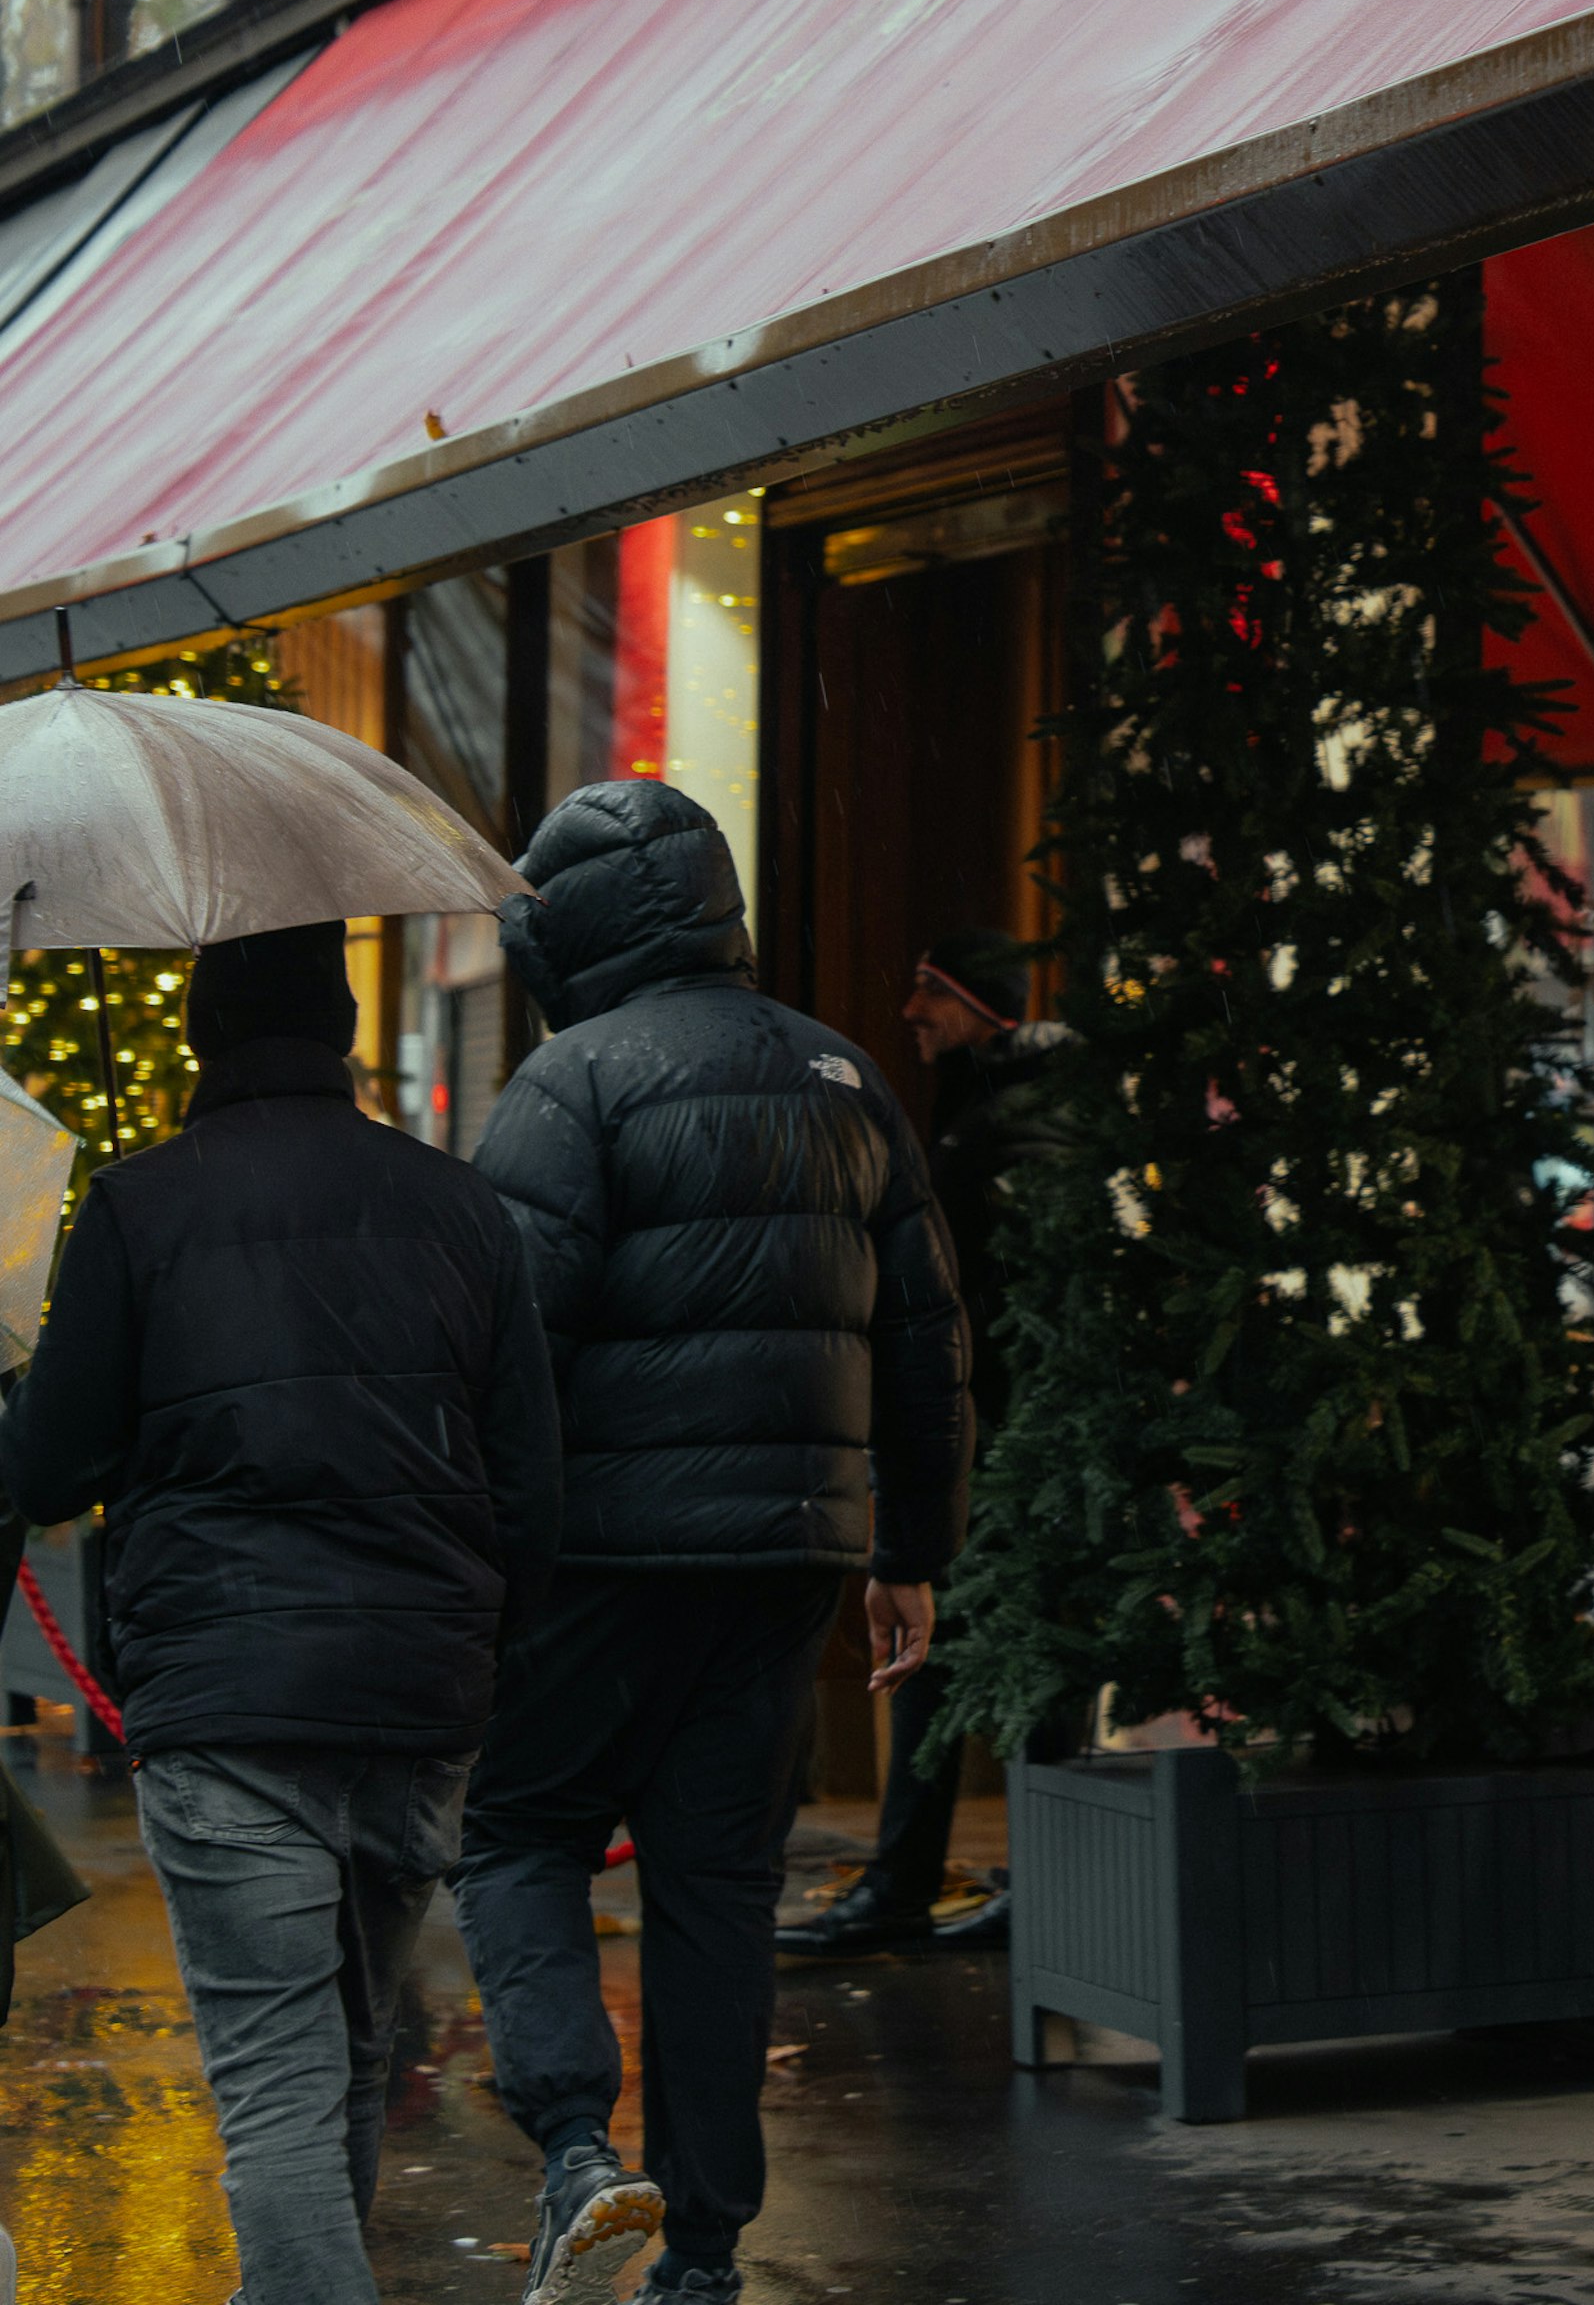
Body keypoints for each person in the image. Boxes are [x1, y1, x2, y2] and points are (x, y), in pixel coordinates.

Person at [450, 782, 968, 2304]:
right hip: (788, 1558)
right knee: (716, 1889)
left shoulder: (570, 1086)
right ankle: (705, 2254)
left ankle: (571, 2145)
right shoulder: (842, 1073)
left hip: (602, 1560)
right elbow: (930, 1341)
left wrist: (483, 1557)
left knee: (518, 1833)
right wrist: (910, 1551)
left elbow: (505, 1354)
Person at [0, 922, 561, 2305]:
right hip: (420, 1691)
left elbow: (48, 1465)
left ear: (200, 1034)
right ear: (349, 1029)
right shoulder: (462, 1206)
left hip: (228, 1690)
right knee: (350, 2055)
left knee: (278, 2085)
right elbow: (532, 1484)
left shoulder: (140, 1206)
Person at [778, 927, 1069, 1959]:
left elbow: (1016, 1284)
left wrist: (945, 1343)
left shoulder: (1015, 1115)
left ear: (980, 1007)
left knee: (959, 1657)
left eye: (929, 993)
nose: (911, 1012)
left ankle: (939, 1882)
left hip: (1006, 1437)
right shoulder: (985, 1104)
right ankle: (986, 1884)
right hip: (988, 1426)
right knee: (953, 1657)